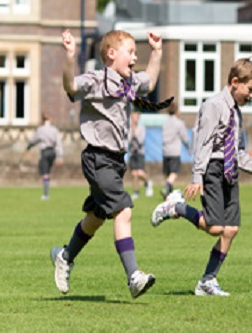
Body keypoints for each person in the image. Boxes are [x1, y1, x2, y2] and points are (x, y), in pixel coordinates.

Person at [50, 28, 171, 299]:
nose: (134, 57)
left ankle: (65, 256)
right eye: (131, 52)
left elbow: (150, 82)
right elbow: (71, 86)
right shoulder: (95, 79)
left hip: (116, 162)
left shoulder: (128, 82)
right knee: (123, 210)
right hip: (97, 158)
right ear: (112, 54)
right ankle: (134, 276)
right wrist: (70, 56)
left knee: (96, 218)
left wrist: (157, 52)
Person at [150, 58, 252, 296]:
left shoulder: (237, 113)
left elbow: (239, 152)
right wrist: (197, 176)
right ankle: (176, 207)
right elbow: (203, 141)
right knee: (214, 228)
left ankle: (207, 281)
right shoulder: (214, 105)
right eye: (250, 89)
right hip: (212, 167)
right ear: (235, 82)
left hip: (230, 172)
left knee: (230, 230)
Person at [26, 112, 63, 200]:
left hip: (45, 152)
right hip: (52, 152)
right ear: (50, 119)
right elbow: (58, 143)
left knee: (45, 174)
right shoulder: (54, 130)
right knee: (48, 172)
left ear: (42, 120)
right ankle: (46, 192)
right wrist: (59, 157)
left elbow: (34, 140)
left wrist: (29, 147)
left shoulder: (40, 130)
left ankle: (46, 194)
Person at [160, 101, 190, 199]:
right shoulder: (179, 123)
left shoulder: (165, 123)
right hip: (174, 151)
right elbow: (185, 137)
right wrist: (189, 148)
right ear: (177, 111)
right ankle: (166, 187)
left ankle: (168, 195)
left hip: (165, 151)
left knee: (168, 173)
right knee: (174, 173)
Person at [129, 110, 153, 199]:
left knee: (139, 172)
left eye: (135, 116)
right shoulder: (129, 127)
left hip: (139, 152)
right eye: (133, 116)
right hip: (132, 152)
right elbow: (128, 140)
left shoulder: (141, 127)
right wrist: (132, 133)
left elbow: (141, 140)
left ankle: (148, 181)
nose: (134, 118)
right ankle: (136, 191)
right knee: (133, 173)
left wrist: (135, 133)